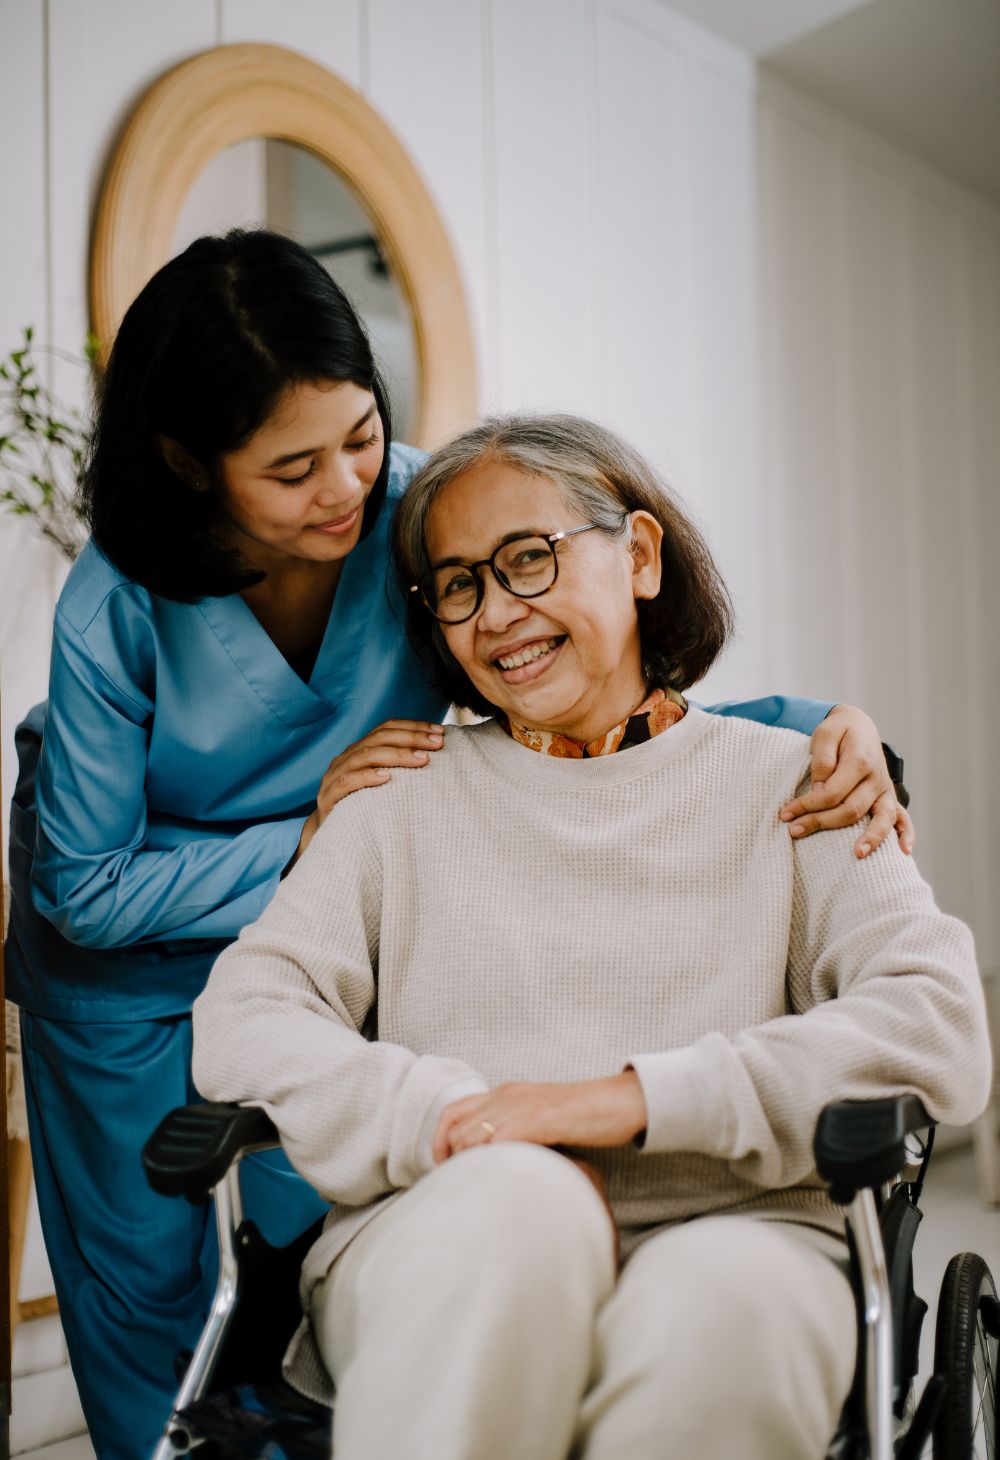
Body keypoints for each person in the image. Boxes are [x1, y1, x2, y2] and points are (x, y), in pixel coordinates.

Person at [4, 233, 904, 1458]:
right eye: (292, 467)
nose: (344, 487)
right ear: (192, 466)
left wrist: (822, 730)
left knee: (325, 1240)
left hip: (337, 886)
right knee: (146, 1295)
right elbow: (84, 885)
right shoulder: (117, 598)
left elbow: (596, 684)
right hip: (121, 940)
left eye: (361, 435)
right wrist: (317, 831)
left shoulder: (435, 523)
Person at [192, 413, 990, 1460]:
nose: (499, 611)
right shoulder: (397, 800)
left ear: (641, 555)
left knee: (719, 1311)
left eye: (529, 557)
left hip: (746, 1229)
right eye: (461, 582)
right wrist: (449, 1117)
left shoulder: (799, 784)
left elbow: (936, 1023)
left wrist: (629, 1098)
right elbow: (245, 1014)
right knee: (521, 1204)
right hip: (449, 1219)